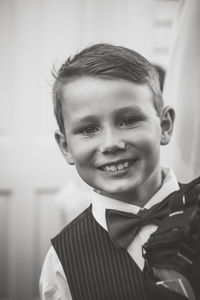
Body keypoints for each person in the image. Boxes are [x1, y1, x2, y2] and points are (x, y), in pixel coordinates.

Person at [39, 43, 199, 300]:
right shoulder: (61, 260)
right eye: (89, 129)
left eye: (128, 120)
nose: (111, 143)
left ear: (165, 126)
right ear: (66, 146)